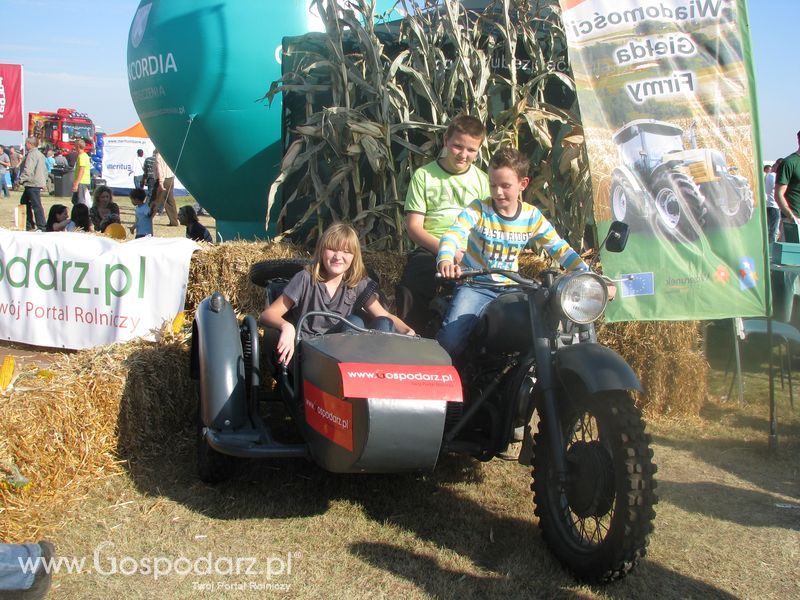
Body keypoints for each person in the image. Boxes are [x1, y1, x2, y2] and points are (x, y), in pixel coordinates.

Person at [435, 147, 591, 360]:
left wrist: (588, 275)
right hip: (476, 286)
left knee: (543, 330)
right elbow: (453, 234)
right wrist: (445, 259)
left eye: (505, 186)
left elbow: (560, 249)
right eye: (493, 185)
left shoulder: (531, 216)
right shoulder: (480, 209)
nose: (498, 192)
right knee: (450, 341)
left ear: (523, 184)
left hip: (511, 288)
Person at [259, 223, 415, 365]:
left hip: (350, 354)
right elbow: (268, 314)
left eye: (346, 251)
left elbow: (385, 316)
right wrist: (287, 327)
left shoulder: (358, 283)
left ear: (354, 257)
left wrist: (409, 332)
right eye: (332, 249)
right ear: (321, 251)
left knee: (382, 323)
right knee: (354, 321)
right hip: (312, 352)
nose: (338, 257)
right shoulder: (306, 278)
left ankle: (376, 375)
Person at [396, 114, 490, 333]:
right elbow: (414, 227)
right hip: (432, 249)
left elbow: (488, 227)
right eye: (458, 146)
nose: (464, 155)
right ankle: (411, 340)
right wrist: (449, 254)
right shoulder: (424, 176)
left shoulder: (483, 181)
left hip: (471, 252)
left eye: (471, 150)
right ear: (446, 140)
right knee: (412, 286)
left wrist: (467, 255)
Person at [17, 137, 48, 231]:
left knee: (36, 205)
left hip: (32, 183)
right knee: (25, 202)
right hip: (36, 182)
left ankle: (41, 226)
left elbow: (28, 169)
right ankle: (29, 225)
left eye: (26, 143)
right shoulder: (40, 154)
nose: (26, 145)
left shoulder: (32, 155)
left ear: (30, 144)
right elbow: (45, 170)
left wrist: (21, 180)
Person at [153, 149, 179, 225]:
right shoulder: (168, 154)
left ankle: (147, 217)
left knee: (156, 199)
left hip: (164, 179)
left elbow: (159, 169)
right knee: (170, 200)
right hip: (171, 177)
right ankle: (174, 221)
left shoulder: (159, 156)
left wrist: (161, 182)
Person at [765, 160, 782, 243]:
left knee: (769, 229)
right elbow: (779, 189)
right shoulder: (774, 176)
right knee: (773, 230)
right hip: (774, 205)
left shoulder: (768, 175)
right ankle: (771, 248)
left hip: (768, 204)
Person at [71, 139, 92, 206]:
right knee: (75, 200)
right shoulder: (83, 156)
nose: (74, 147)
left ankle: (82, 214)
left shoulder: (82, 156)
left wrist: (76, 183)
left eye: (75, 145)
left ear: (77, 146)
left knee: (81, 201)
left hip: (82, 181)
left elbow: (81, 170)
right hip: (81, 181)